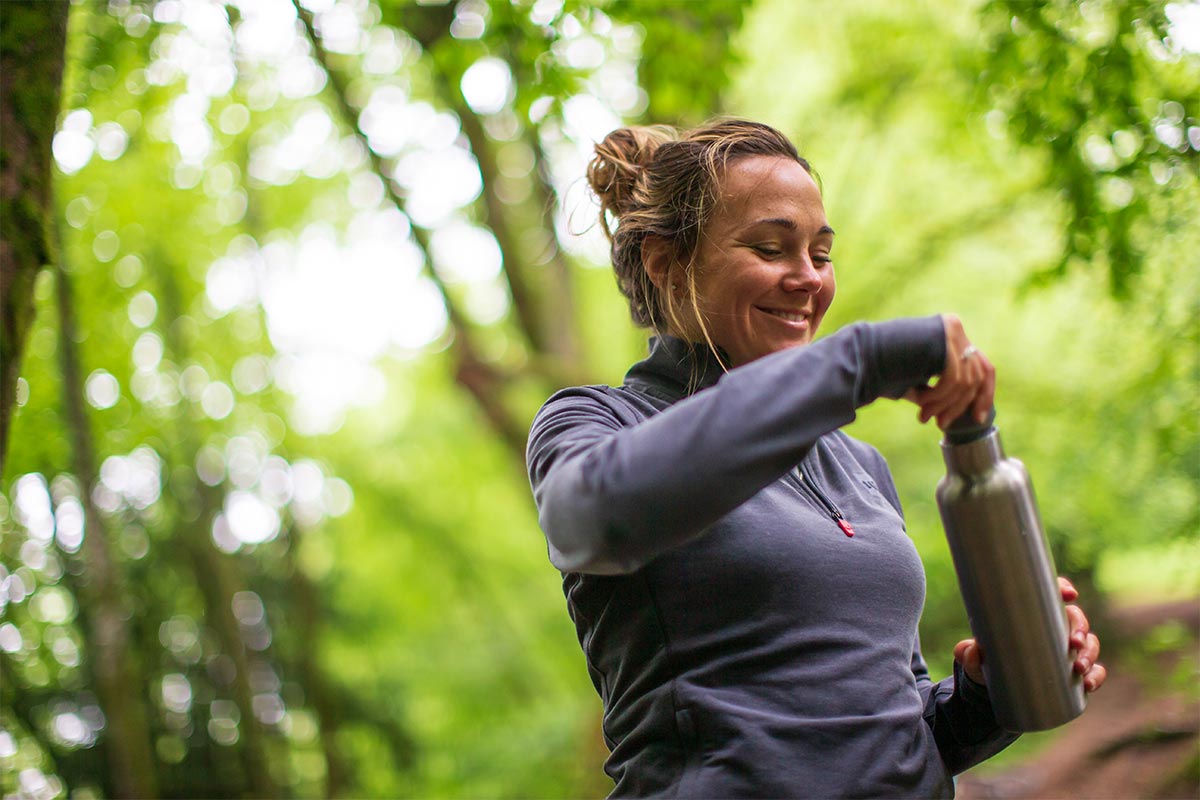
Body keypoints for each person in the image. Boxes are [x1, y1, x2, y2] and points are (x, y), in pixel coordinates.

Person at [525, 119, 1105, 798]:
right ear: (665, 261)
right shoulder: (599, 423)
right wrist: (861, 361)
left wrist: (987, 691)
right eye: (771, 247)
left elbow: (902, 726)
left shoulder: (858, 464)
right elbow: (590, 519)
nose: (806, 279)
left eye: (821, 255)